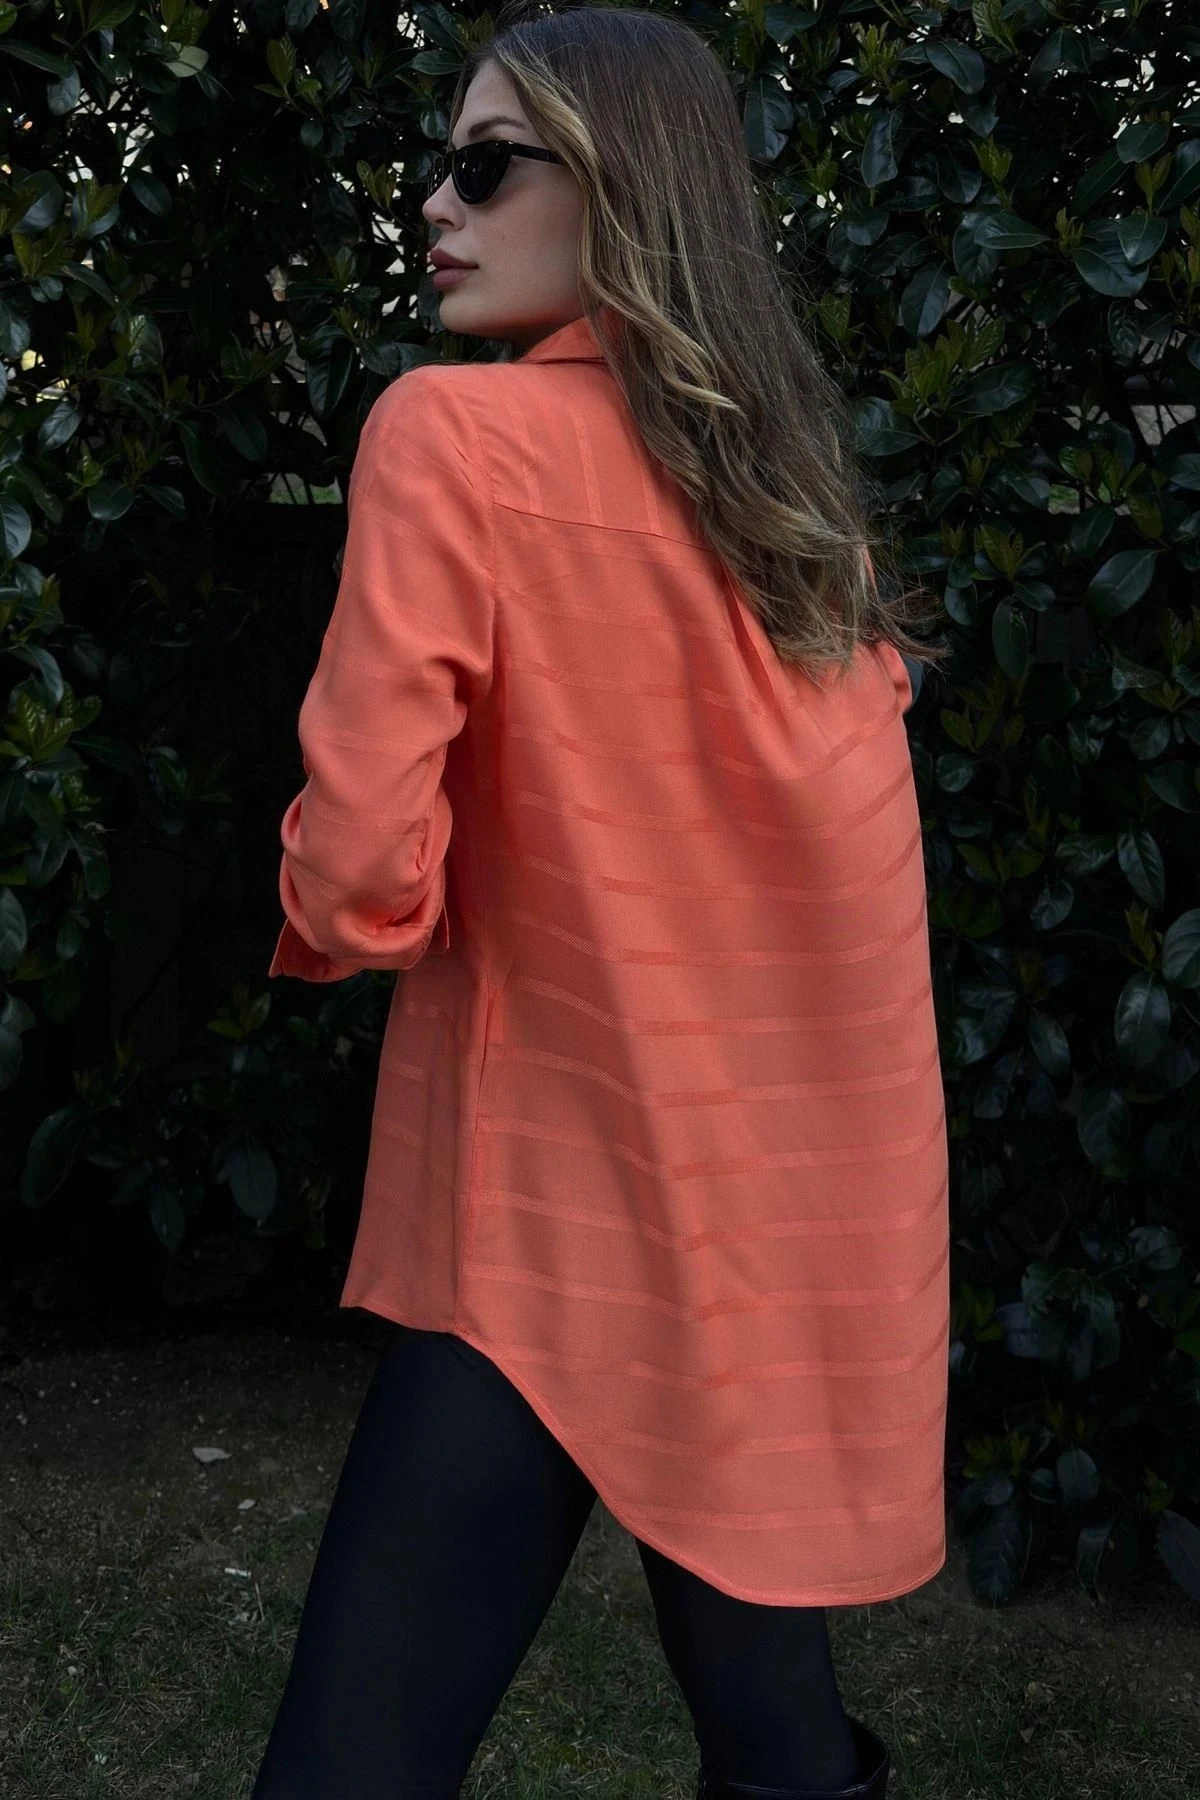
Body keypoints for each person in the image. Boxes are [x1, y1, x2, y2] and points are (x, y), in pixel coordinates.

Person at [252, 5, 952, 1797]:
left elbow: (361, 871)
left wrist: (356, 904)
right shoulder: (791, 513)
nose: (436, 202)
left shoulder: (450, 440)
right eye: (440, 165)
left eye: (487, 166)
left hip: (545, 1228)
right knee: (776, 1740)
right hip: (752, 1242)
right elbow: (852, 914)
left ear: (621, 187)